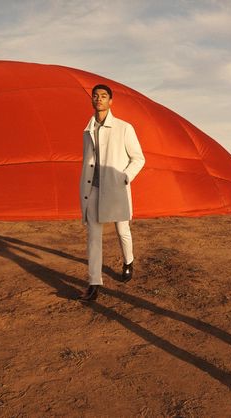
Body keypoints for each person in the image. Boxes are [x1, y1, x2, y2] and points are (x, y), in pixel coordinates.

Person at [78, 84, 145, 301]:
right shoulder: (87, 131)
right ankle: (94, 283)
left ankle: (128, 261)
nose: (99, 99)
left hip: (116, 189)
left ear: (110, 101)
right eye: (95, 96)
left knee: (122, 229)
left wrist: (124, 177)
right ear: (92, 100)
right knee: (93, 237)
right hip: (93, 189)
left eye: (104, 96)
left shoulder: (124, 128)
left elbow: (138, 158)